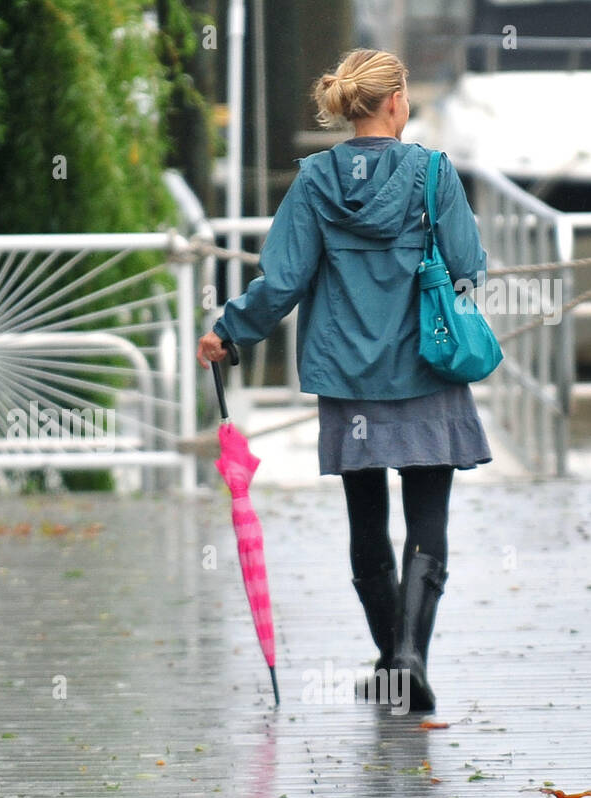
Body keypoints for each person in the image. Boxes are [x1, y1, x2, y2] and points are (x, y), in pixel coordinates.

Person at [196, 48, 492, 712]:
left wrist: (230, 332)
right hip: (427, 367)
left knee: (367, 519)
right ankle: (410, 656)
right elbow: (471, 268)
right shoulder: (433, 173)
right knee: (427, 518)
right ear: (395, 103)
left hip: (350, 378)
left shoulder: (313, 181)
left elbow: (282, 281)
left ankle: (392, 661)